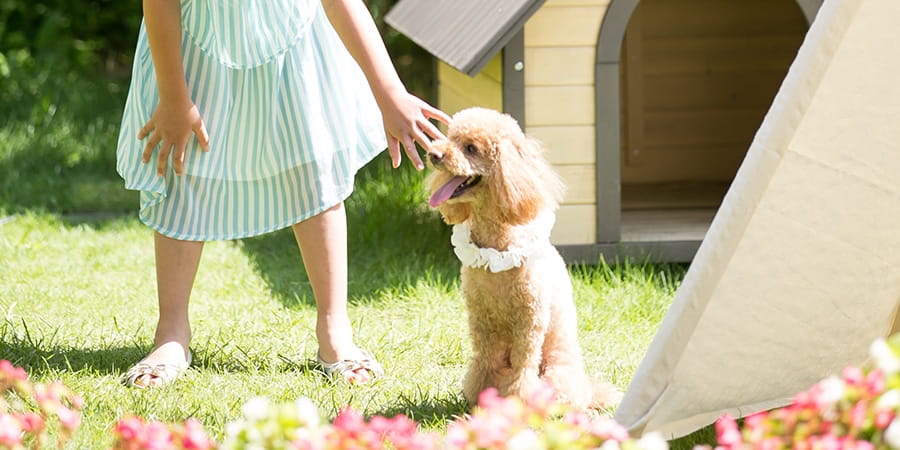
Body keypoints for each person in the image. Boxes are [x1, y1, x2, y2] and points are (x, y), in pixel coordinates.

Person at [116, 0, 450, 387]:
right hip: (195, 49)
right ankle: (171, 333)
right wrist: (175, 98)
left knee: (311, 169)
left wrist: (389, 91)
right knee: (183, 168)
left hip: (293, 48)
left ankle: (333, 328)